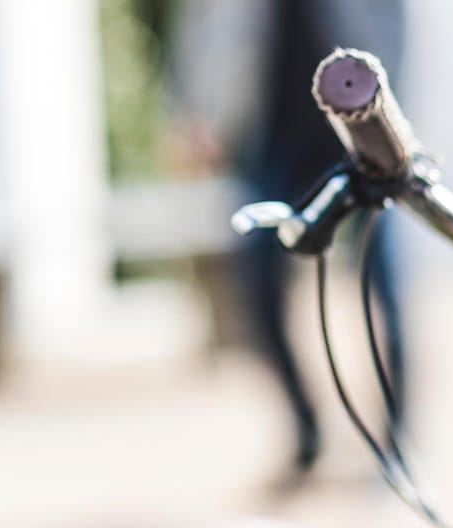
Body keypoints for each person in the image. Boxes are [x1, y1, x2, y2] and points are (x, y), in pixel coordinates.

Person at [170, 0, 411, 480]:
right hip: (270, 130)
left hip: (363, 127)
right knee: (256, 279)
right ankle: (306, 426)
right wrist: (196, 111)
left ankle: (396, 443)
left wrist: (397, 116)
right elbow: (203, 22)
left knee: (381, 282)